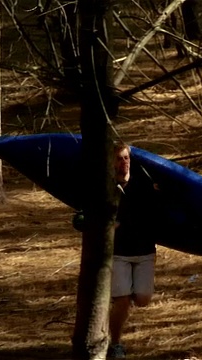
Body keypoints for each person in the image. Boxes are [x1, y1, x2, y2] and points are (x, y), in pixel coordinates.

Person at [73, 143, 161, 359]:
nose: (124, 162)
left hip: (144, 251)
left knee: (142, 298)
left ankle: (118, 300)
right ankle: (116, 343)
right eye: (119, 159)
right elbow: (80, 218)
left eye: (126, 158)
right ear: (111, 162)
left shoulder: (144, 183)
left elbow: (160, 210)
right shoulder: (105, 188)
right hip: (118, 252)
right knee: (122, 299)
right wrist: (103, 225)